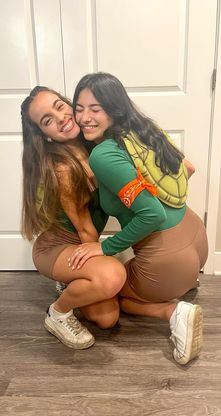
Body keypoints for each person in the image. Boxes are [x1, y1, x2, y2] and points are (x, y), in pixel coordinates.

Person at [71, 72, 208, 365]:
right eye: (79, 108)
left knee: (106, 297)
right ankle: (180, 283)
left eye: (95, 109)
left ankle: (172, 312)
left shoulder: (103, 154)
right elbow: (189, 168)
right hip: (196, 236)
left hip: (167, 261)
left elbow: (152, 214)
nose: (84, 117)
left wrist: (104, 248)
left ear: (114, 108)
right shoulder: (144, 129)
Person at [20, 86, 126, 350]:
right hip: (56, 248)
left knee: (107, 319)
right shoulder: (64, 168)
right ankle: (57, 313)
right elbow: (86, 232)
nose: (60, 118)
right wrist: (102, 258)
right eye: (47, 120)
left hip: (77, 245)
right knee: (112, 277)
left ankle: (70, 280)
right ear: (43, 135)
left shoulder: (95, 142)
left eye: (59, 106)